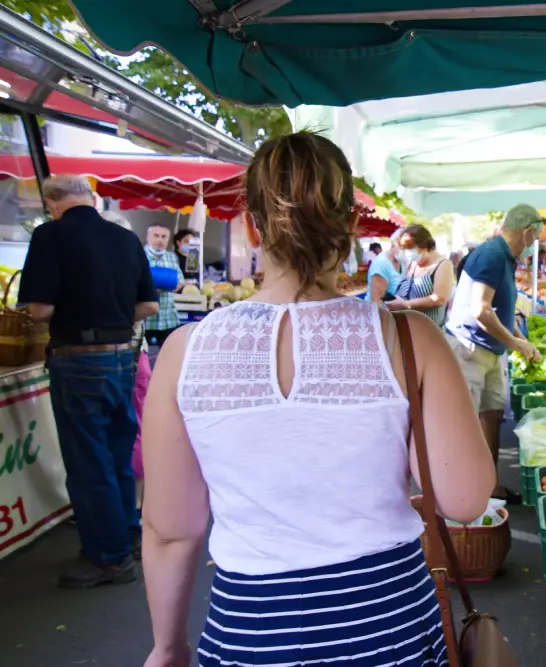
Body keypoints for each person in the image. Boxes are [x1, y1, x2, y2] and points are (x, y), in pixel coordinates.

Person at [139, 132, 494, 667]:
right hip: (390, 628)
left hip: (249, 635)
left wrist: (167, 647)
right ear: (350, 224)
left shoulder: (184, 351)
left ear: (252, 226)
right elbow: (465, 502)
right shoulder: (409, 338)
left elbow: (170, 531)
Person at [18, 175, 158, 588]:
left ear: (52, 202)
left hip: (76, 359)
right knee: (116, 455)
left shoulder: (50, 235)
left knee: (87, 461)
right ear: (91, 198)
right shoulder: (125, 239)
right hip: (121, 358)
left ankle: (108, 559)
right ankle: (128, 537)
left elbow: (41, 309)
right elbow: (148, 304)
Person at [445, 204, 545, 500]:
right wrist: (516, 343)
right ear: (527, 231)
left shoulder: (505, 258)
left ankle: (489, 487)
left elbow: (500, 310)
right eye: (536, 236)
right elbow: (480, 309)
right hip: (469, 348)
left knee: (492, 414)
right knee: (465, 422)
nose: (534, 244)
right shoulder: (491, 254)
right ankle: (461, 494)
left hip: (490, 350)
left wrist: (517, 337)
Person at [103, 211, 153, 515]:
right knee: (132, 427)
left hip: (130, 356)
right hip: (134, 356)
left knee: (131, 429)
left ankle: (133, 500)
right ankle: (133, 499)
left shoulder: (113, 267)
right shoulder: (130, 262)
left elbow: (148, 305)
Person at [387, 224, 456, 328]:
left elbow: (440, 299)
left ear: (424, 244)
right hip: (406, 327)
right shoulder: (411, 263)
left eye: (410, 247)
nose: (407, 252)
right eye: (404, 248)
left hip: (428, 331)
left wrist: (406, 305)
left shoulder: (443, 265)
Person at [143, 224, 184, 349]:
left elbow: (180, 281)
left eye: (164, 237)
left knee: (168, 353)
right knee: (141, 358)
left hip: (168, 317)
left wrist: (170, 286)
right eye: (156, 236)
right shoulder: (139, 256)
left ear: (168, 240)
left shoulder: (172, 257)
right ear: (148, 237)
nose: (160, 240)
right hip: (145, 319)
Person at [367, 228, 405, 303]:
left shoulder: (401, 261)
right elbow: (377, 303)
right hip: (384, 313)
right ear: (394, 244)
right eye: (405, 247)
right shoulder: (381, 265)